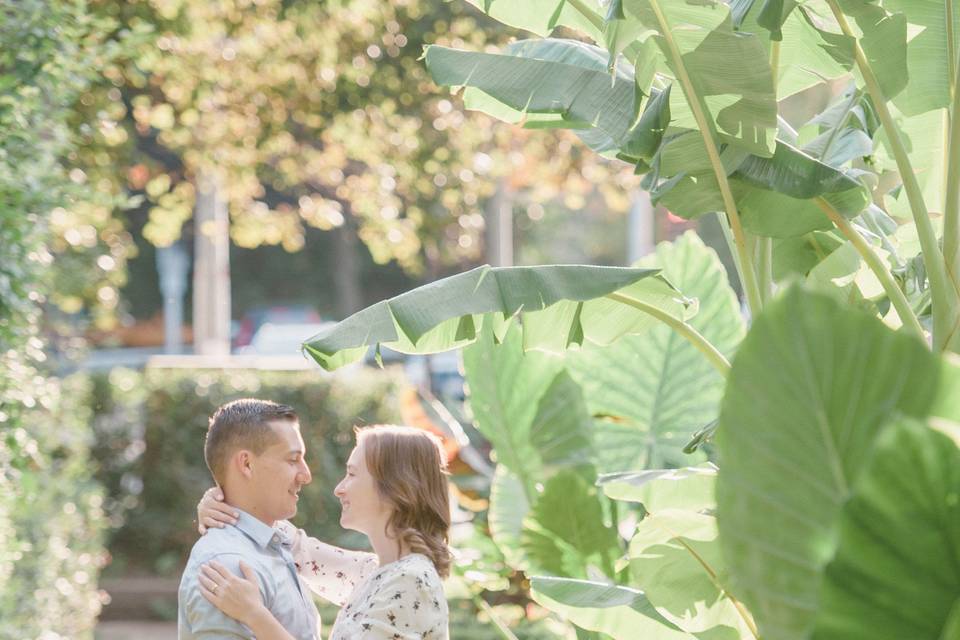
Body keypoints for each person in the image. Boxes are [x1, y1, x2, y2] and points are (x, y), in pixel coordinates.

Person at [196, 424, 451, 640]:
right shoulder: (376, 573)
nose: (339, 489)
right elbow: (298, 548)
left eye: (351, 474)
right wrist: (223, 501)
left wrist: (253, 613)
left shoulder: (411, 581)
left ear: (396, 488)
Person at [178, 398, 321, 639]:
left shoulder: (279, 542)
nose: (306, 475)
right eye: (293, 459)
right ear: (246, 464)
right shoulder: (227, 565)